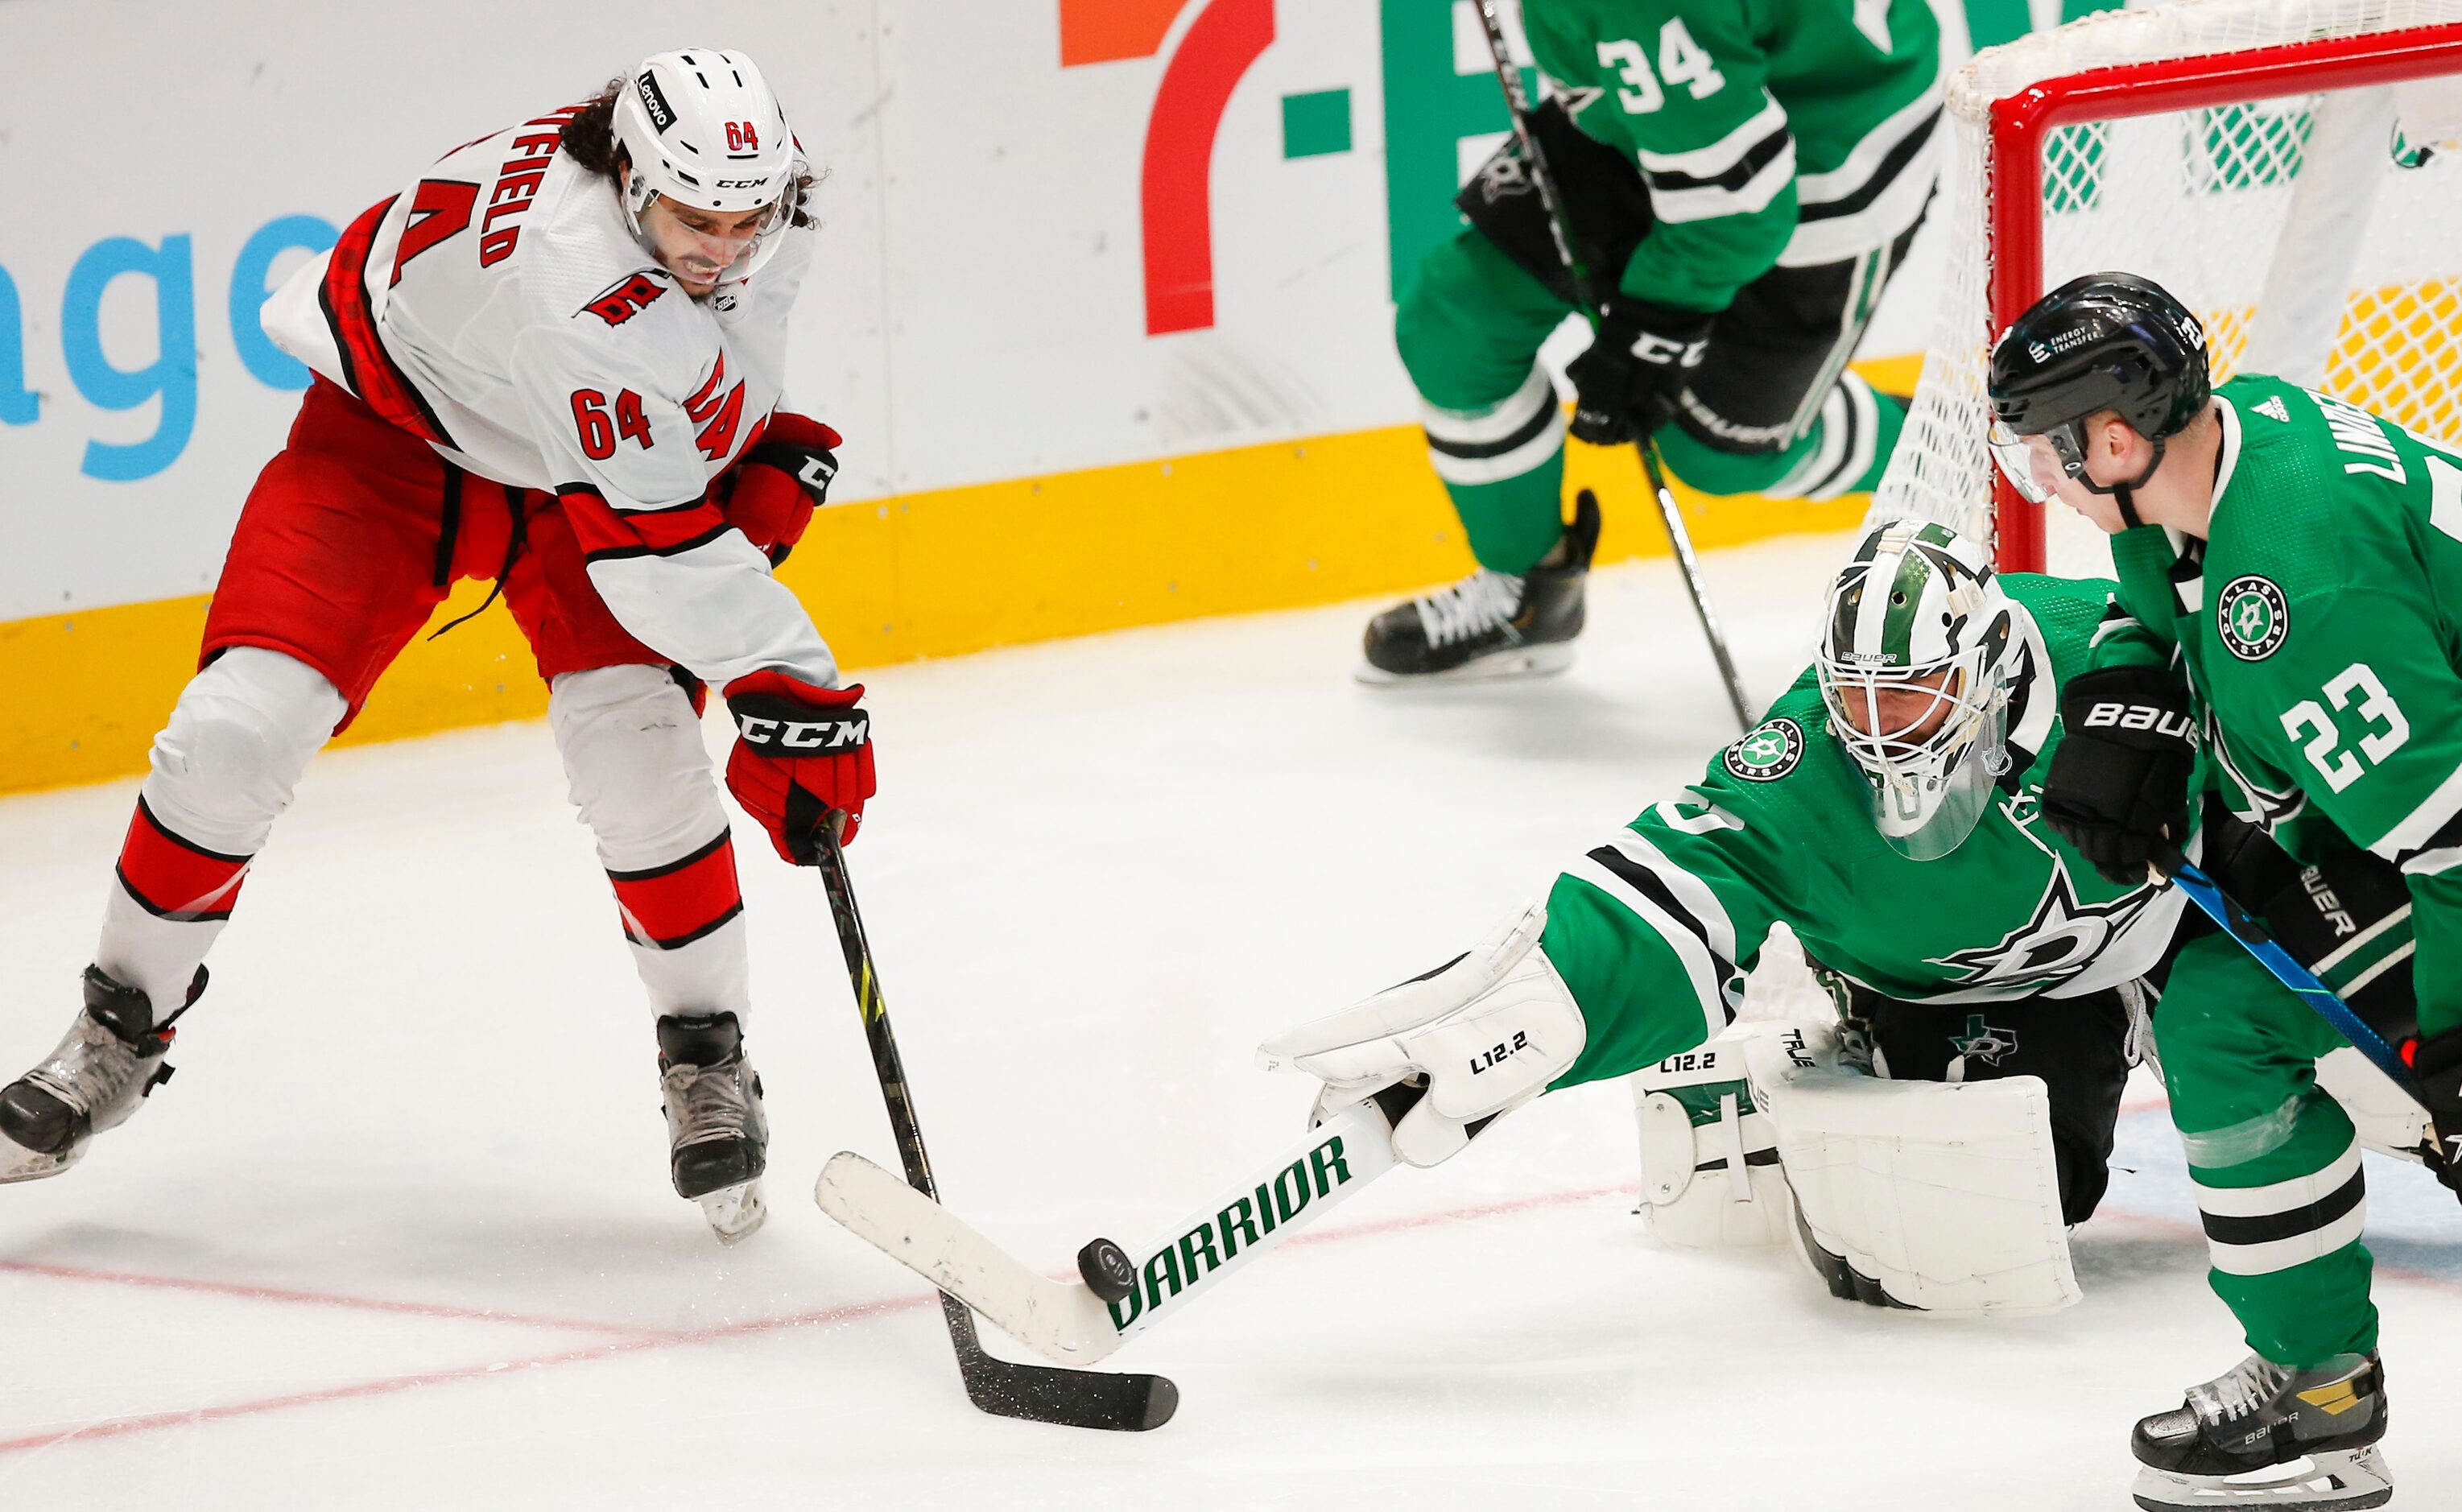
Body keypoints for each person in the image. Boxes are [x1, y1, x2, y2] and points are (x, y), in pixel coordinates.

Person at [0, 50, 874, 1245]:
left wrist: (740, 449)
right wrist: (800, 695)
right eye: (692, 217)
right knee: (231, 734)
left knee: (642, 759)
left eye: (746, 215)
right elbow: (651, 547)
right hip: (392, 438)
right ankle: (115, 1030)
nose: (723, 244)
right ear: (626, 177)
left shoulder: (761, 211)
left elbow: (713, 358)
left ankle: (705, 1054)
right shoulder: (576, 282)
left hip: (581, 461)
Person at [1270, 519, 2188, 1315]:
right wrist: (1540, 1013)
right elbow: (1672, 889)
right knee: (1979, 1224)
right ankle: (1809, 1092)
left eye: (1903, 694)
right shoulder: (1797, 763)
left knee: (2309, 1075)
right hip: (1969, 987)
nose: (1874, 728)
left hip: (2185, 923)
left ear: (1985, 664)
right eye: (1852, 694)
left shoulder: (2107, 654)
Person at [1989, 270, 2462, 1510]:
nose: (2040, 474)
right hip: (2417, 798)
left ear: (2113, 433)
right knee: (2217, 1013)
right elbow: (2165, 591)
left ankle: (2317, 1399)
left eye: (2049, 446)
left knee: (2246, 1022)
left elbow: (2458, 838)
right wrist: (2125, 686)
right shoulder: (2222, 442)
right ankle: (2316, 1393)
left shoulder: (2299, 602)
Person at [1361, 0, 1941, 681]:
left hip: (1825, 154)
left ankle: (1944, 452)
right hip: (1663, 99)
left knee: (1713, 451)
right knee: (1460, 316)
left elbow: (1738, 212)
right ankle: (1527, 599)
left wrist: (1656, 327)